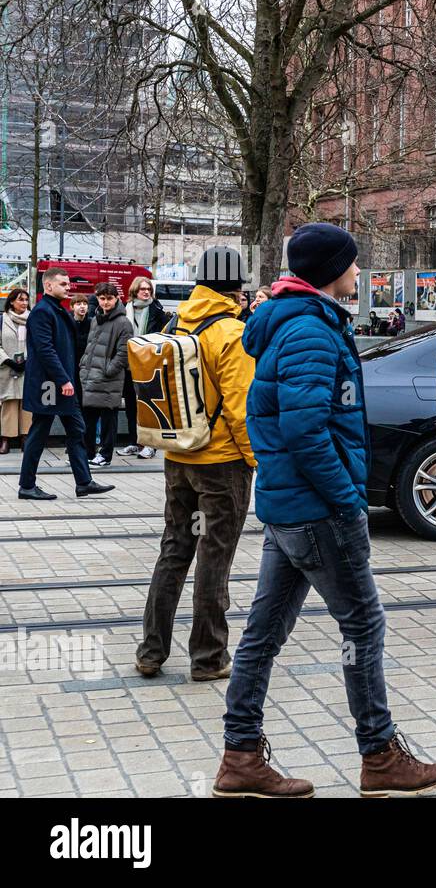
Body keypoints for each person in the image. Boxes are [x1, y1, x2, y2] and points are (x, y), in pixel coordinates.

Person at [217, 223, 436, 798]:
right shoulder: (310, 332)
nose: (358, 271)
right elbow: (304, 428)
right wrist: (347, 499)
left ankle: (240, 755)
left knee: (263, 633)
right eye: (351, 263)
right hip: (317, 511)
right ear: (330, 271)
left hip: (289, 507)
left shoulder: (300, 322)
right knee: (363, 625)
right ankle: (379, 754)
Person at [136, 247, 259, 682]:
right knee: (214, 557)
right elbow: (242, 410)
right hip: (221, 463)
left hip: (177, 456)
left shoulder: (177, 321)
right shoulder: (230, 332)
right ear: (237, 287)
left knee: (174, 549)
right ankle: (208, 657)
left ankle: (151, 650)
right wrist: (254, 459)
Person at [16, 268, 112, 501]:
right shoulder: (42, 312)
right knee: (39, 433)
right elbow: (45, 350)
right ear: (48, 286)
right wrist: (63, 380)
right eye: (63, 284)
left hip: (62, 385)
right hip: (50, 385)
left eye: (69, 284)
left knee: (77, 430)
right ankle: (26, 486)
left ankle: (84, 482)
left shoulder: (57, 309)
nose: (69, 287)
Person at [79, 283, 132, 468]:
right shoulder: (95, 319)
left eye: (109, 298)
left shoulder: (123, 322)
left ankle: (105, 455)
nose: (106, 302)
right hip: (91, 376)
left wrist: (108, 370)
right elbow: (90, 346)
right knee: (89, 418)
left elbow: (124, 353)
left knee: (109, 419)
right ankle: (88, 453)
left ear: (116, 298)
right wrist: (84, 366)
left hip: (109, 379)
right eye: (102, 298)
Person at [116, 276, 167, 460]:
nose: (146, 292)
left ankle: (150, 445)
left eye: (148, 289)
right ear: (134, 291)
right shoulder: (124, 309)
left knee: (148, 405)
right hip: (129, 364)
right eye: (142, 289)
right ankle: (133, 442)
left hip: (149, 364)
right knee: (131, 405)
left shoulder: (157, 311)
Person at [1, 288, 32, 455]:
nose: (24, 303)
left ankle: (26, 439)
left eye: (26, 300)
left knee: (27, 405)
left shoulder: (32, 319)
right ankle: (5, 439)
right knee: (9, 404)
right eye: (21, 299)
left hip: (28, 368)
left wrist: (28, 360)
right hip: (7, 368)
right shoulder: (2, 320)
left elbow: (37, 342)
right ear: (12, 301)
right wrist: (7, 360)